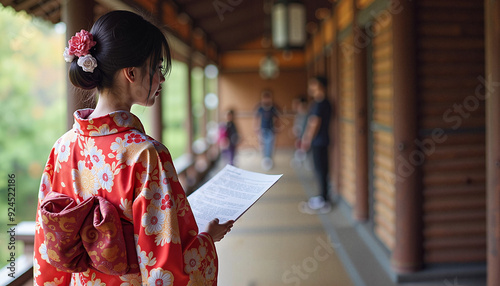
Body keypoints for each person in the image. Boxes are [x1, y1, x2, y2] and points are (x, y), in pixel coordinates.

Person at [34, 10, 233, 285]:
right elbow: (165, 265)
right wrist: (207, 239)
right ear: (131, 73)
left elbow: (48, 249)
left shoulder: (62, 149)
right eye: (157, 67)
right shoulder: (145, 154)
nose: (161, 79)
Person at [300, 76, 333, 214]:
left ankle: (323, 200)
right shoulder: (325, 102)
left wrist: (306, 139)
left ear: (319, 85)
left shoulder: (320, 103)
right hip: (322, 140)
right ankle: (322, 197)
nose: (310, 87)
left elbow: (314, 123)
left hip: (318, 141)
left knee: (320, 170)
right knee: (321, 169)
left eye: (312, 84)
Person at [254, 89, 280, 171]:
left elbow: (277, 118)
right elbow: (256, 118)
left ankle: (269, 161)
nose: (266, 100)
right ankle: (264, 160)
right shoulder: (260, 108)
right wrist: (256, 127)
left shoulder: (273, 108)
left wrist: (277, 127)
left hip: (271, 130)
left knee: (270, 146)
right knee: (263, 146)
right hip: (262, 130)